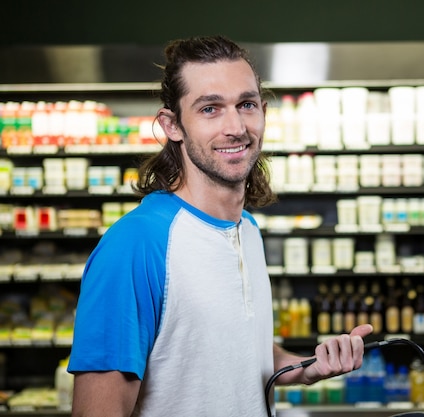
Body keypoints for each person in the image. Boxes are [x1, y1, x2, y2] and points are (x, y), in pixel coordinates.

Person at [68, 35, 373, 416]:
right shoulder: (136, 244)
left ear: (262, 112)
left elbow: (242, 356)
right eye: (210, 109)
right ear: (172, 125)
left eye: (246, 105)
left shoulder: (246, 230)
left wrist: (307, 368)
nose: (235, 127)